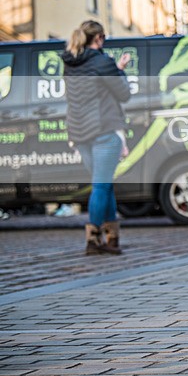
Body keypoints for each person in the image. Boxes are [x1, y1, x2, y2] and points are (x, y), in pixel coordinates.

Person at [61, 20, 131, 255]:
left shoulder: (70, 63)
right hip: (104, 130)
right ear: (99, 38)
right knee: (101, 185)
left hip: (79, 132)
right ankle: (93, 239)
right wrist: (120, 70)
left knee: (104, 182)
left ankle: (112, 239)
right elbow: (124, 94)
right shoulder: (103, 63)